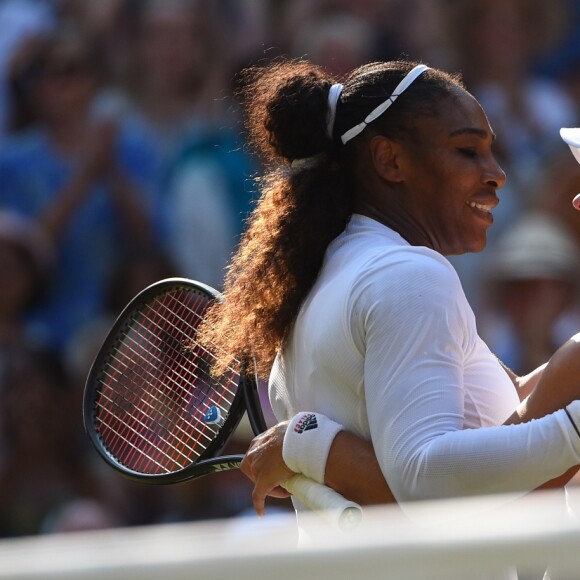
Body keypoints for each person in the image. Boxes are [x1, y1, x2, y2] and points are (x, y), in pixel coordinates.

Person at [198, 58, 580, 533]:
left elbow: (511, 407)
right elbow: (424, 477)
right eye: (468, 150)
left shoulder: (335, 272)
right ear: (390, 160)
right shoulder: (407, 276)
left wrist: (309, 445)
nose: (497, 174)